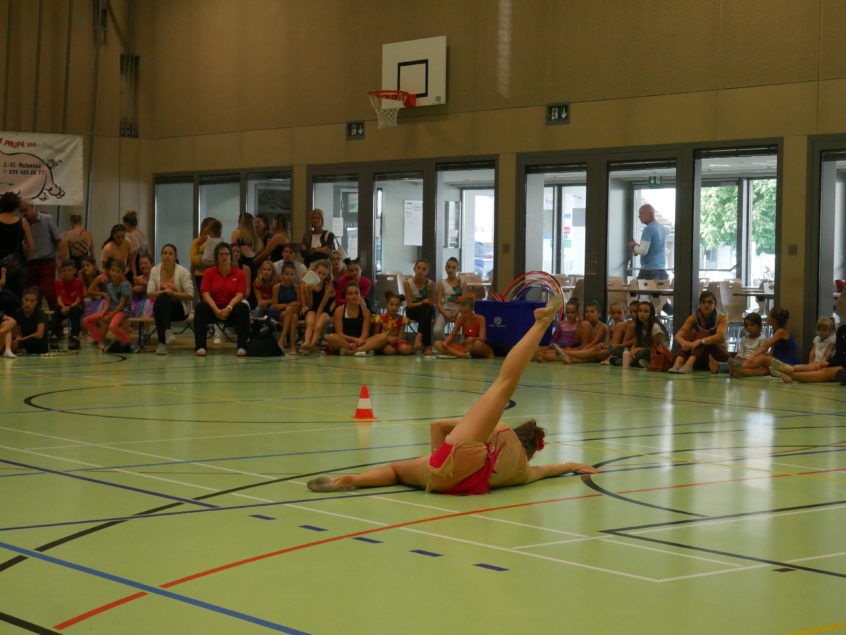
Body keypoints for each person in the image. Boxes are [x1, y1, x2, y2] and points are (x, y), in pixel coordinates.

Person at [306, 294, 599, 495]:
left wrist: (439, 457)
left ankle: (540, 323)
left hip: (449, 464)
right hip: (459, 485)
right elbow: (550, 470)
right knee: (502, 387)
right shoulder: (523, 472)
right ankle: (541, 323)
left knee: (504, 383)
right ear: (531, 452)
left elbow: (438, 426)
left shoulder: (501, 429)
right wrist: (574, 465)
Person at [194, 242, 250, 357]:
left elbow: (240, 294)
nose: (224, 257)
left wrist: (228, 308)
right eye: (221, 254)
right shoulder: (208, 273)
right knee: (200, 307)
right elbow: (206, 294)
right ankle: (200, 346)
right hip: (214, 308)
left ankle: (242, 347)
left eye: (226, 254)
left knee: (243, 308)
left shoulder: (240, 274)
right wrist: (216, 310)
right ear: (216, 257)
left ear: (231, 256)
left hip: (231, 308)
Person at [147, 244, 194, 355]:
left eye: (170, 254)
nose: (167, 256)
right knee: (162, 299)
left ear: (175, 256)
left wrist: (173, 293)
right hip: (162, 309)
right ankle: (166, 333)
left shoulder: (183, 272)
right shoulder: (154, 270)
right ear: (161, 255)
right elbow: (149, 293)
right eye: (165, 253)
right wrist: (165, 292)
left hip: (179, 309)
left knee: (161, 303)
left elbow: (191, 295)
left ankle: (162, 343)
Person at [668, 290, 729, 373]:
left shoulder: (722, 318)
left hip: (718, 355)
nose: (706, 305)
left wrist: (700, 341)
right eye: (703, 302)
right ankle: (679, 361)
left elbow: (720, 337)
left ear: (715, 304)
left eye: (710, 302)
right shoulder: (694, 318)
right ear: (699, 304)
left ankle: (689, 364)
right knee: (690, 335)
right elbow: (678, 335)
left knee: (703, 333)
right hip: (700, 356)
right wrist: (683, 342)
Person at [728, 306, 798, 378]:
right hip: (777, 360)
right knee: (764, 370)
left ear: (774, 320)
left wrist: (752, 356)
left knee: (763, 358)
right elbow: (773, 350)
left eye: (769, 315)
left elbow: (766, 346)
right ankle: (739, 371)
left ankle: (740, 365)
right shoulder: (776, 331)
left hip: (786, 361)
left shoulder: (781, 331)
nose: (767, 317)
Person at [628, 203, 669, 314]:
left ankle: (637, 317)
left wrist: (634, 245)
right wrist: (638, 246)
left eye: (641, 213)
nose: (639, 216)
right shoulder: (662, 228)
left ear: (650, 214)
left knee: (632, 294)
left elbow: (643, 251)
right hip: (661, 270)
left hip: (648, 271)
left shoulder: (648, 230)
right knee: (659, 300)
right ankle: (670, 312)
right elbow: (653, 248)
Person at [770, 324, 846, 383]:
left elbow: (829, 352)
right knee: (816, 365)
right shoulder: (842, 329)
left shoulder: (832, 340)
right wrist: (828, 362)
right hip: (841, 361)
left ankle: (790, 375)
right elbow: (839, 355)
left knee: (828, 371)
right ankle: (787, 368)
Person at [84, 260, 133, 352]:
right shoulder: (110, 285)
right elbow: (108, 302)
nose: (114, 273)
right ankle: (101, 340)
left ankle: (129, 343)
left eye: (118, 271)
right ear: (109, 271)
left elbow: (122, 304)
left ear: (123, 273)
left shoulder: (125, 285)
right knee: (87, 320)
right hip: (111, 310)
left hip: (122, 311)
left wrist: (110, 316)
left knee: (112, 326)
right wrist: (103, 312)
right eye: (113, 270)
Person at [20, 200, 62, 309]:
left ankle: (55, 315)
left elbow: (58, 240)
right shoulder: (23, 223)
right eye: (21, 211)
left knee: (49, 292)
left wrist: (60, 258)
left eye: (25, 210)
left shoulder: (47, 219)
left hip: (47, 260)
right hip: (31, 262)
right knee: (32, 295)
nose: (23, 213)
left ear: (32, 206)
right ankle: (35, 316)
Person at [325, 281, 386, 356]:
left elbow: (365, 334)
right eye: (350, 293)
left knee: (383, 337)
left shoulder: (365, 311)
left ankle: (353, 351)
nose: (354, 296)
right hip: (345, 341)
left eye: (356, 293)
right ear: (345, 296)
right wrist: (354, 340)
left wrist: (359, 342)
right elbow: (339, 333)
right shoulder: (339, 310)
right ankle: (364, 349)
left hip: (361, 342)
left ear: (360, 295)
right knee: (330, 337)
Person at [0, 192, 34, 301]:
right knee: (17, 298)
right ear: (16, 207)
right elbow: (31, 247)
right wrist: (25, 261)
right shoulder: (23, 222)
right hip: (17, 265)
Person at [299, 259, 334, 354]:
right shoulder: (309, 284)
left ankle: (311, 346)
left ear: (327, 275)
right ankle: (306, 342)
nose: (321, 276)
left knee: (318, 326)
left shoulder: (327, 287)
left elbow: (322, 307)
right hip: (312, 308)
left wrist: (317, 318)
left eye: (324, 274)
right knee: (310, 323)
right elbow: (310, 304)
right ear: (314, 271)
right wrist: (309, 292)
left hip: (324, 310)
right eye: (319, 273)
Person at [622, 301, 668, 370]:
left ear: (651, 314)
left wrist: (639, 349)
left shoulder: (655, 327)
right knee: (622, 350)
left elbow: (657, 347)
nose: (642, 314)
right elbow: (635, 343)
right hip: (643, 351)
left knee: (642, 353)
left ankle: (628, 361)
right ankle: (636, 361)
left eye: (646, 311)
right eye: (640, 311)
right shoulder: (639, 326)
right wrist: (631, 352)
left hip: (656, 353)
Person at [404, 259, 436, 355]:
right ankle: (427, 346)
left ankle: (419, 335)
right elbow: (409, 304)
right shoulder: (407, 283)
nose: (420, 271)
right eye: (418, 268)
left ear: (427, 272)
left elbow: (432, 302)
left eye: (424, 269)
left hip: (426, 309)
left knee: (427, 309)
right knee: (426, 311)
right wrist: (422, 302)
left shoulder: (431, 283)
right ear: (414, 269)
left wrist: (425, 303)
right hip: (412, 310)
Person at [534, 297, 581, 362]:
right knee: (538, 349)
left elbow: (577, 341)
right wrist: (550, 346)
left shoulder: (579, 325)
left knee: (546, 354)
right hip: (556, 346)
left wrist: (580, 322)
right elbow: (554, 338)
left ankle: (542, 356)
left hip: (568, 348)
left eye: (572, 312)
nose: (570, 315)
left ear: (577, 313)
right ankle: (538, 354)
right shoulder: (561, 324)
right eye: (567, 312)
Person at [52, 259, 85, 350]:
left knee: (75, 311)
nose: (66, 272)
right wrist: (63, 307)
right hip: (63, 305)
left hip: (75, 305)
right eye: (64, 270)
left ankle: (75, 338)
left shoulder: (78, 282)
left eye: (69, 270)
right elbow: (59, 299)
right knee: (57, 310)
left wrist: (69, 308)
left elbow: (78, 300)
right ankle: (54, 337)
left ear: (74, 271)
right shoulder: (58, 283)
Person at [272, 262, 301, 356]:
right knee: (292, 315)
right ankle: (292, 345)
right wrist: (288, 305)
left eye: (292, 274)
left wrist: (289, 307)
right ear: (282, 275)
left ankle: (283, 340)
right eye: (287, 274)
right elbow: (275, 306)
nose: (289, 277)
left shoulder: (296, 287)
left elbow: (299, 303)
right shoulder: (277, 287)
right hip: (280, 313)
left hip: (291, 312)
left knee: (293, 315)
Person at [372, 291, 413, 355]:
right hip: (384, 342)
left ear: (399, 306)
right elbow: (376, 335)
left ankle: (401, 350)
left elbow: (401, 336)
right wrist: (387, 339)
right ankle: (393, 351)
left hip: (397, 341)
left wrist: (396, 340)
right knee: (389, 351)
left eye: (397, 305)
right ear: (387, 305)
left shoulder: (402, 319)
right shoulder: (380, 318)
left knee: (405, 349)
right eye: (392, 304)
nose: (394, 307)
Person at [11, 287, 48, 355]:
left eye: (32, 301)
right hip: (25, 341)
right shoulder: (18, 313)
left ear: (36, 302)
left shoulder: (40, 313)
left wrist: (22, 339)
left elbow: (39, 334)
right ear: (22, 299)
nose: (28, 303)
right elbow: (18, 332)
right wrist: (17, 338)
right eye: (26, 300)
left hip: (37, 343)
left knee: (35, 340)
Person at [434, 257, 463, 341]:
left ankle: (461, 344)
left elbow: (464, 303)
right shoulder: (442, 283)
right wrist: (445, 314)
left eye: (453, 268)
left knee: (463, 320)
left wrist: (456, 313)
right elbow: (438, 303)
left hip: (459, 310)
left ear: (457, 269)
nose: (451, 270)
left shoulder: (462, 283)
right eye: (448, 267)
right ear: (445, 268)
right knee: (436, 331)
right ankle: (447, 343)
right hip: (445, 310)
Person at [190, 217, 217, 290]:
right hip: (200, 275)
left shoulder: (217, 241)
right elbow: (193, 260)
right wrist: (191, 274)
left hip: (214, 274)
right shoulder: (196, 241)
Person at [130, 255, 154, 319]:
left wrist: (146, 286)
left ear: (151, 264)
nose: (143, 266)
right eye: (141, 264)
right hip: (139, 303)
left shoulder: (156, 277)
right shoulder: (138, 279)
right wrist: (134, 290)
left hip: (152, 303)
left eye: (145, 263)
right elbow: (135, 297)